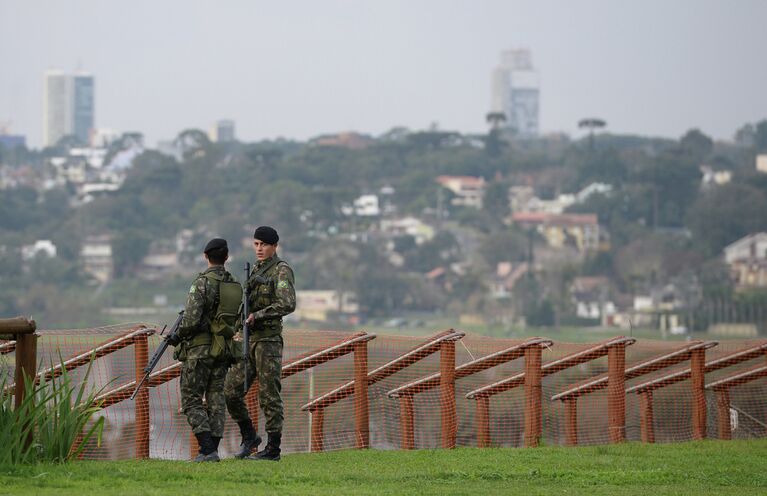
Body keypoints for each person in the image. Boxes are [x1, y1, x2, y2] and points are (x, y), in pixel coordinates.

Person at [224, 226, 295, 461]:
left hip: (268, 342)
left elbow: (287, 304)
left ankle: (273, 449)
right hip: (248, 340)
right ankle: (250, 436)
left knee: (269, 396)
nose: (259, 249)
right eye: (256, 244)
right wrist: (236, 329)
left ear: (274, 246)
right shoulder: (254, 270)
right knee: (231, 391)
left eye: (263, 244)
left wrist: (260, 315)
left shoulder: (281, 270)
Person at [167, 238, 241, 462]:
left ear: (205, 256)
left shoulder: (201, 283)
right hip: (223, 349)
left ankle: (207, 448)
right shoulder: (233, 283)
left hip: (199, 351)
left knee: (190, 398)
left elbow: (190, 320)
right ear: (226, 257)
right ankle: (211, 449)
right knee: (216, 397)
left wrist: (176, 337)